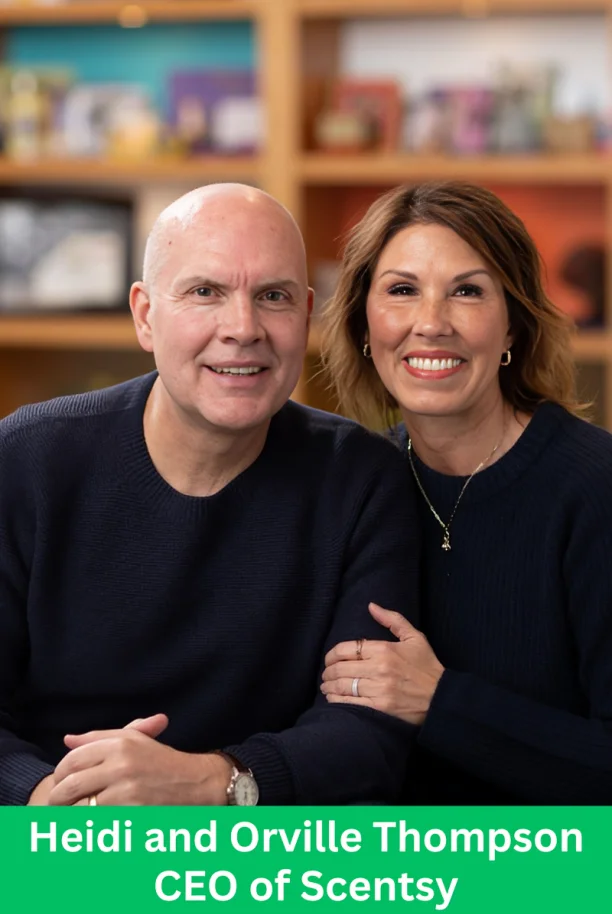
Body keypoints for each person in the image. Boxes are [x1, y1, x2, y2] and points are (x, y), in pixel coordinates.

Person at [0, 183, 419, 807]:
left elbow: (369, 732)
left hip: (264, 861)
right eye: (205, 293)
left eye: (272, 297)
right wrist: (42, 798)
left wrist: (217, 782)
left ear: (307, 315)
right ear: (145, 315)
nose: (243, 328)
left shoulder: (363, 480)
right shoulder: (26, 459)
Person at [320, 180, 612, 804]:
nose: (431, 323)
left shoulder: (595, 488)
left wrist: (442, 701)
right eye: (402, 290)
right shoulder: (359, 484)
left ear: (512, 327)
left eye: (468, 291)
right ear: (364, 325)